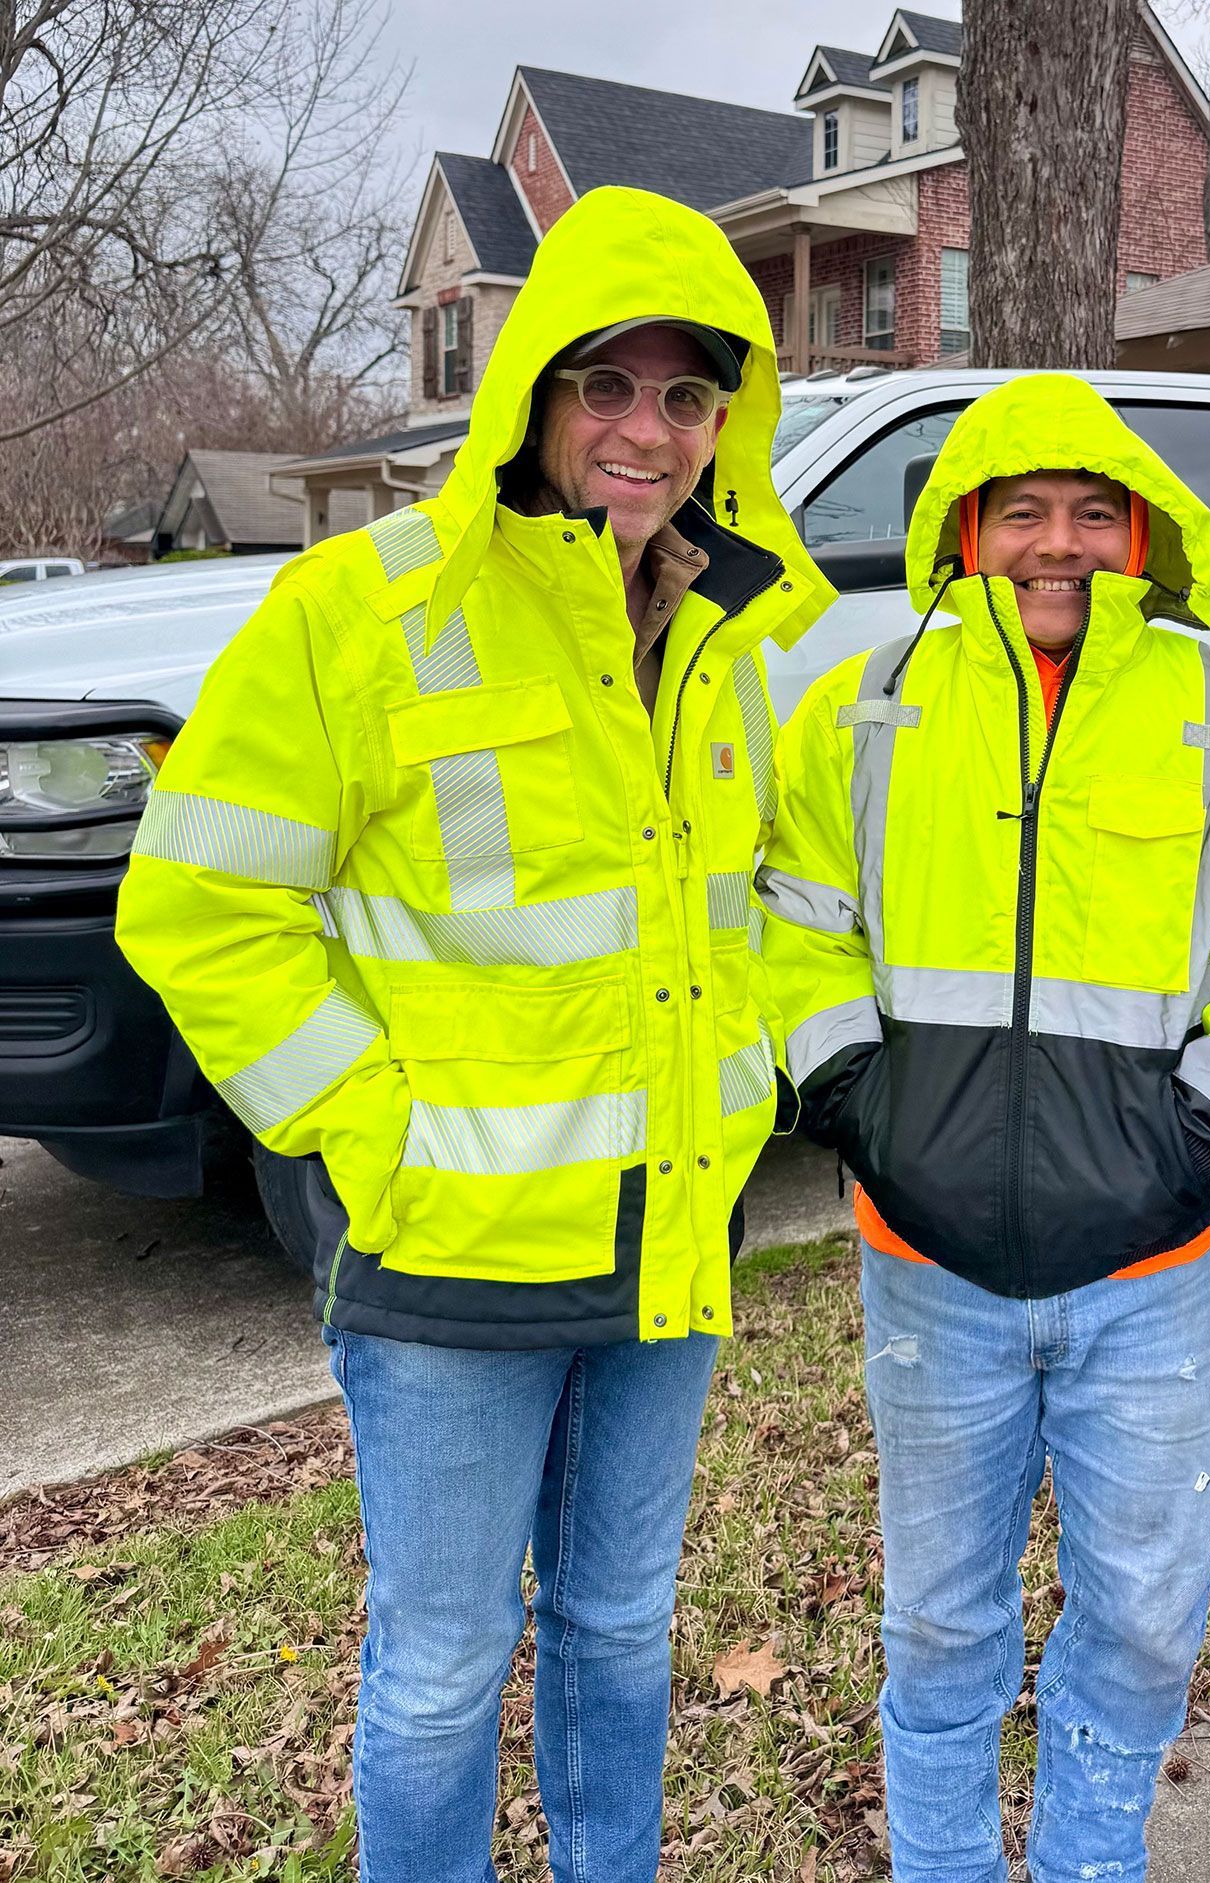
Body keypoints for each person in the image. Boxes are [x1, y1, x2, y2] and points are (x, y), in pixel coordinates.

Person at [114, 187, 830, 1883]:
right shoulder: (359, 612)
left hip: (666, 1236)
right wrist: (378, 1134)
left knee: (618, 1630)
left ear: (729, 421)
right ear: (531, 391)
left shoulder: (728, 639)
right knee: (439, 1672)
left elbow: (758, 906)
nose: (644, 431)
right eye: (606, 385)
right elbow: (200, 907)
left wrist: (752, 1099)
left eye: (685, 394)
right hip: (447, 1256)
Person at [757, 373, 1210, 1883]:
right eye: (1020, 510)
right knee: (943, 1615)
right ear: (961, 532)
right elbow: (790, 935)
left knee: (1147, 1610)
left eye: (1092, 512)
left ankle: (1093, 1862)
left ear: (1146, 534)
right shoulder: (867, 706)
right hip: (929, 1267)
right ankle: (947, 1867)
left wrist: (1196, 1145)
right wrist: (861, 1108)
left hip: (1151, 1269)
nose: (1058, 543)